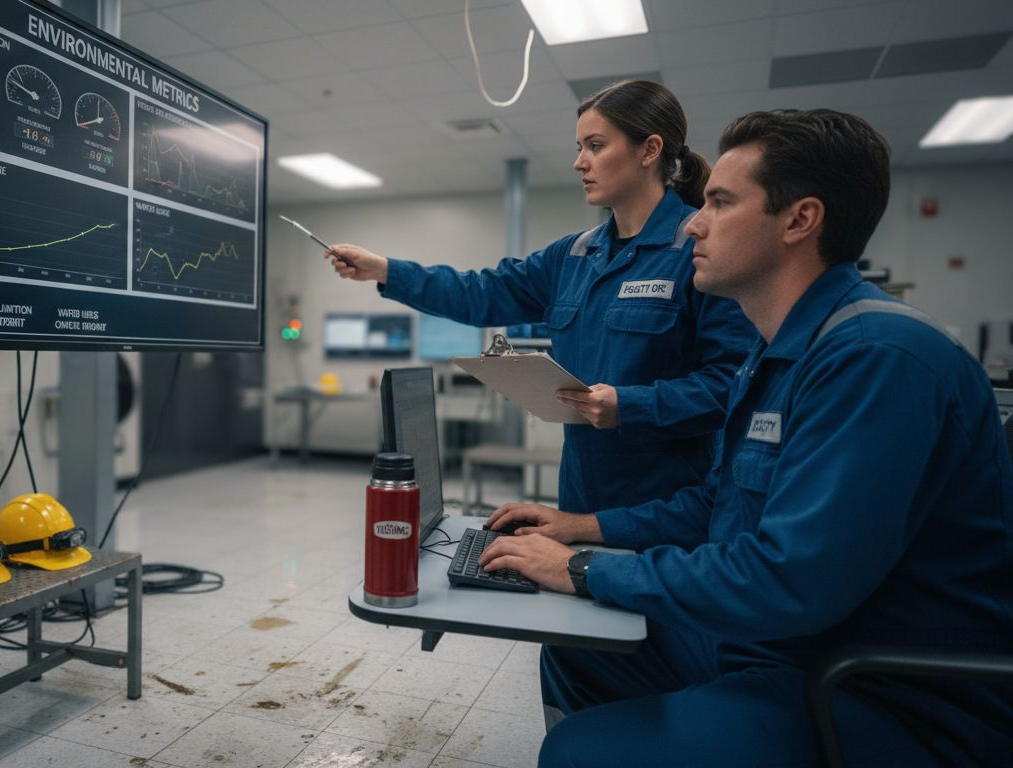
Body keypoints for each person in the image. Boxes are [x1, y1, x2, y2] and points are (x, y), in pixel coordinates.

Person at [479, 109, 1013, 766]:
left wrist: (585, 570)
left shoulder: (876, 359)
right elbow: (714, 506)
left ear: (799, 220)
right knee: (577, 642)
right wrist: (577, 526)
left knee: (577, 752)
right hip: (779, 646)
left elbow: (788, 577)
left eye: (720, 203)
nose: (694, 223)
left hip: (876, 692)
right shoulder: (780, 355)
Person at [329, 80, 755, 517]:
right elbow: (481, 293)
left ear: (649, 150)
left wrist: (631, 406)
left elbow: (734, 384)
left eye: (594, 146)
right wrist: (385, 270)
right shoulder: (571, 256)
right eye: (579, 147)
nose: (578, 163)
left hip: (665, 506)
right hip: (578, 495)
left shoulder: (698, 250)